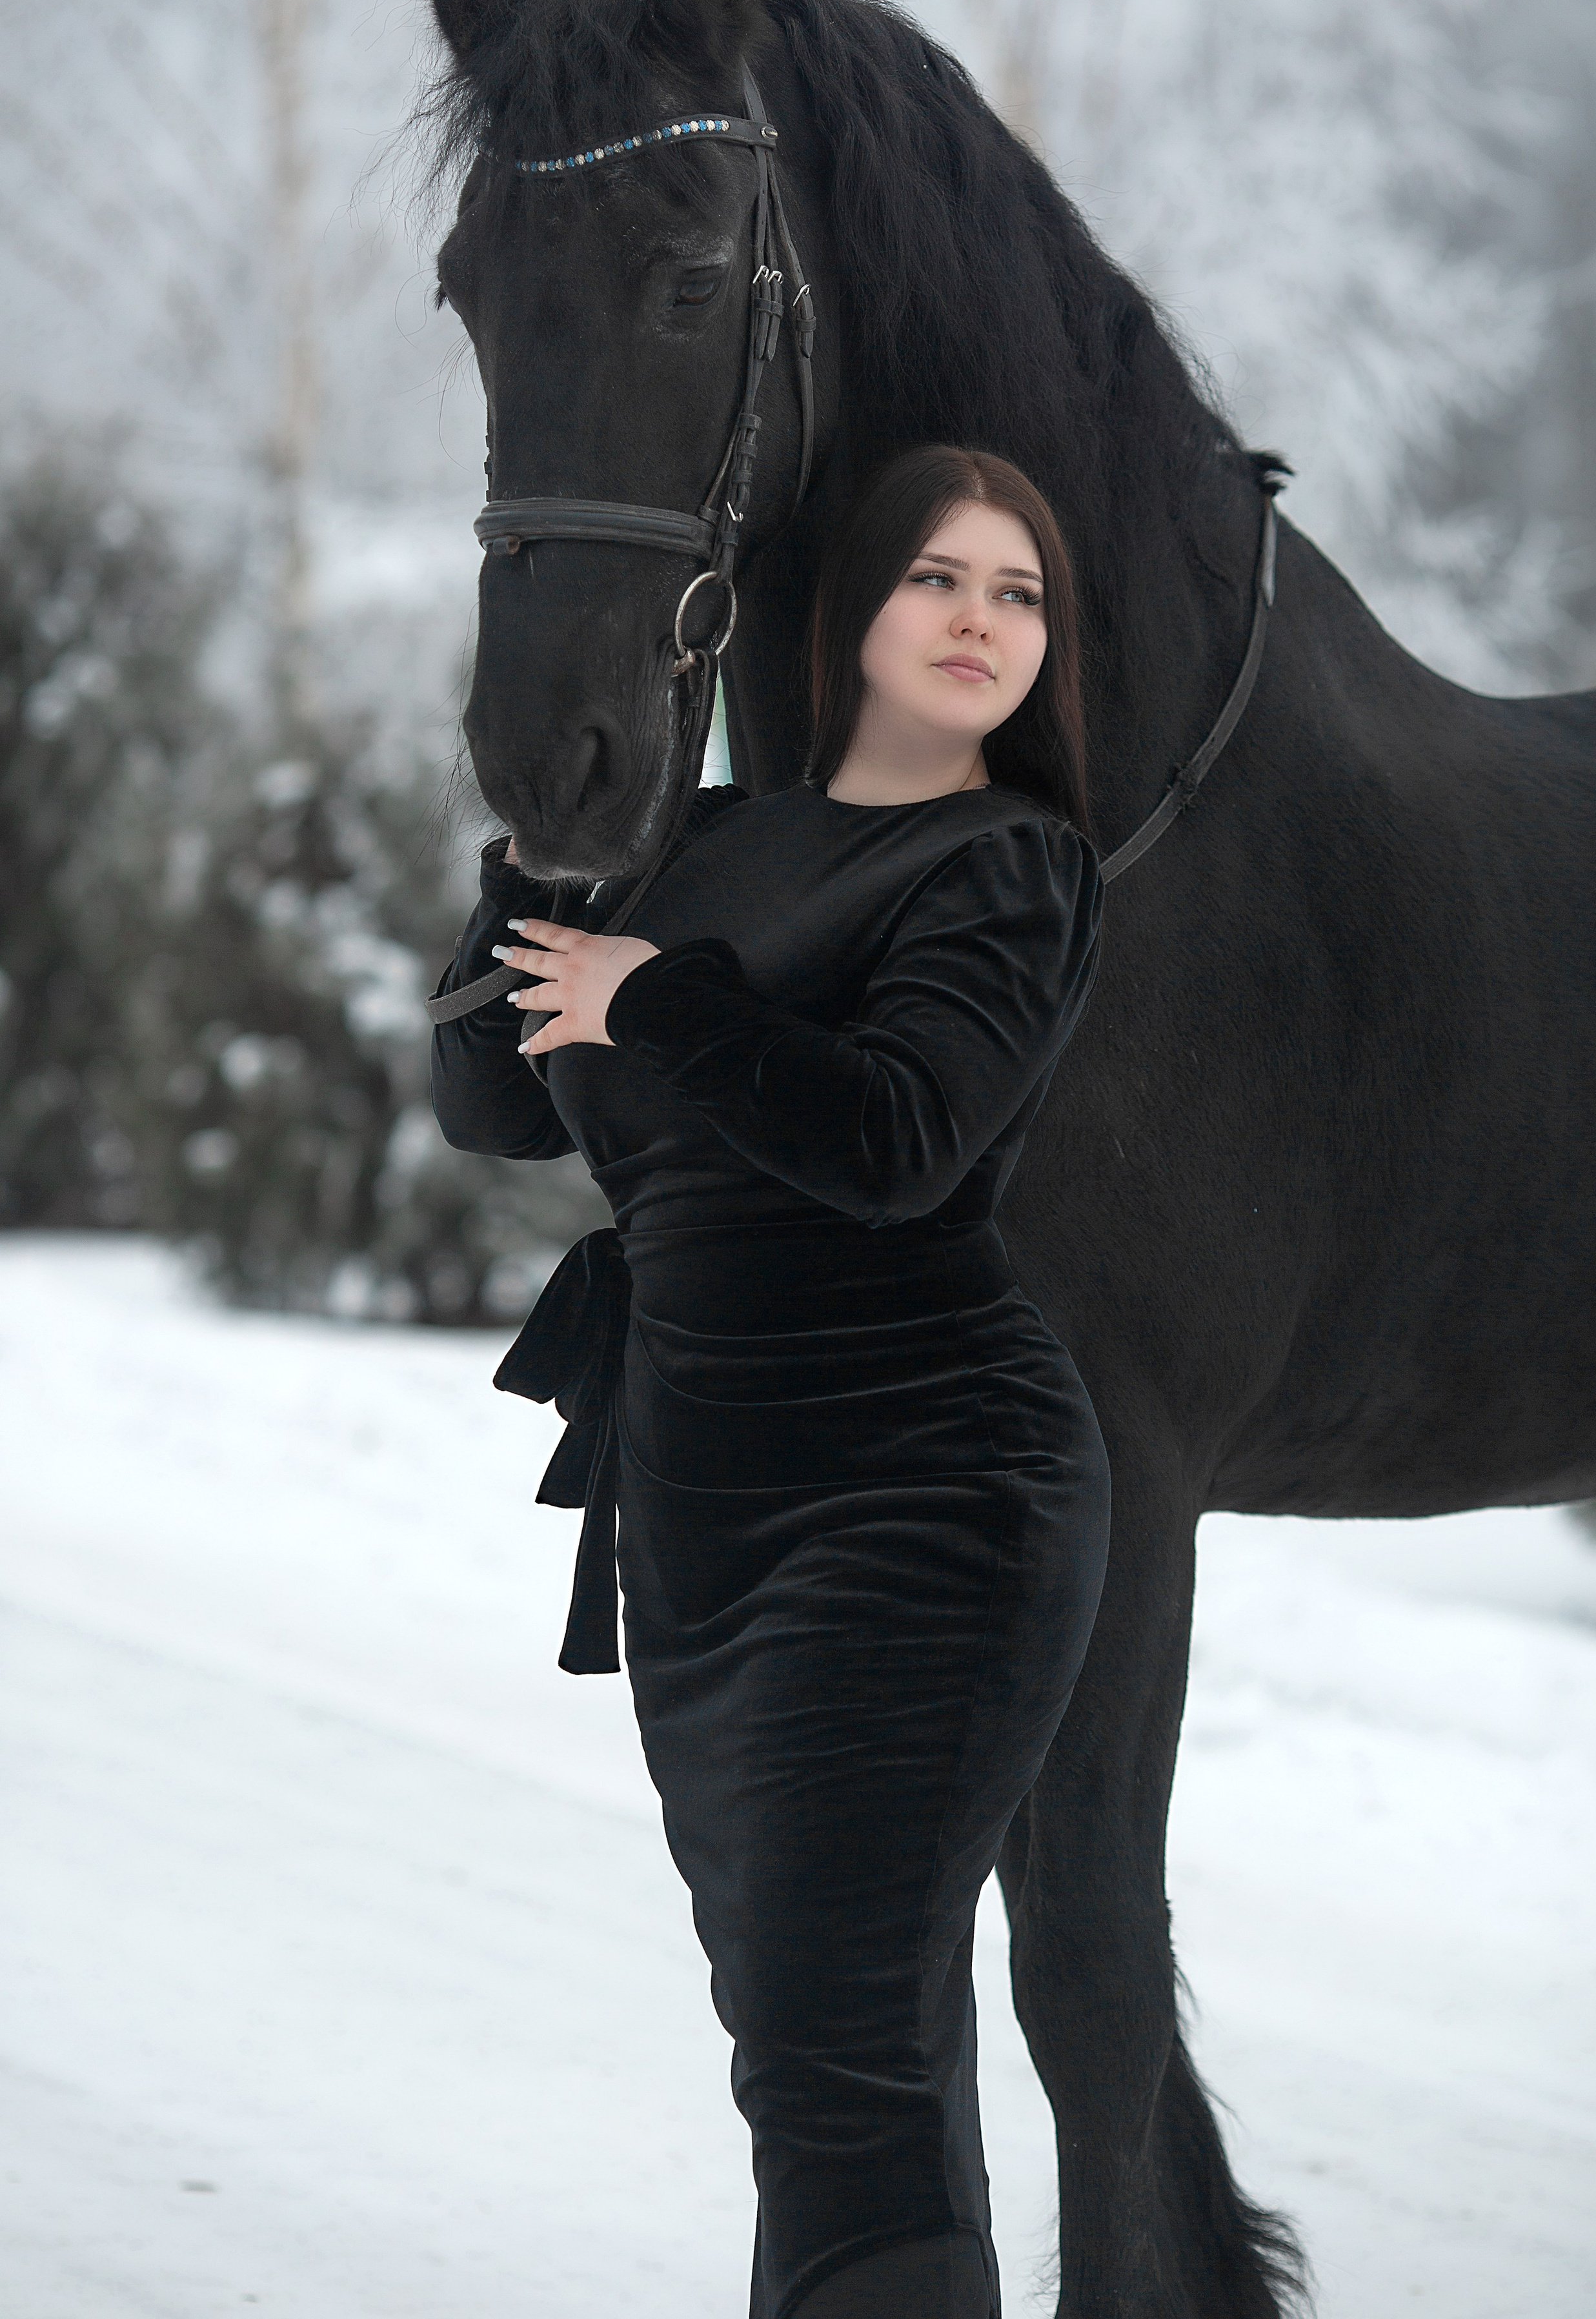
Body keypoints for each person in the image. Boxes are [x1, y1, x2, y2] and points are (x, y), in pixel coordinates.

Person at [431, 445, 1111, 2319]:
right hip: (709, 1512)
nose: (983, 622)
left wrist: (663, 996)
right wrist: (535, 865)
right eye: (941, 581)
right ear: (851, 610)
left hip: (927, 1498)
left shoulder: (1006, 863)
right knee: (819, 2049)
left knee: (837, 2045)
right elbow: (491, 1095)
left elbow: (896, 1139)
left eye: (1019, 593)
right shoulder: (701, 843)